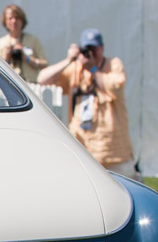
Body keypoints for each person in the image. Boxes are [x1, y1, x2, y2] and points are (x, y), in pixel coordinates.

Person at [38, 28, 138, 179]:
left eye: (94, 48)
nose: (90, 53)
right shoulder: (76, 68)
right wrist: (69, 59)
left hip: (114, 152)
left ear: (102, 48)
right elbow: (43, 80)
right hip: (85, 149)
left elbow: (115, 86)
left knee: (127, 194)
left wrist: (92, 69)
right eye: (87, 48)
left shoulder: (114, 64)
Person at [0, 4, 48, 83]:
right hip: (10, 84)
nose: (14, 21)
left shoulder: (33, 40)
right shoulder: (1, 43)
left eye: (17, 18)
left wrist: (26, 58)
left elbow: (45, 64)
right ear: (5, 21)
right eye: (10, 18)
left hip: (30, 84)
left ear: (22, 20)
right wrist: (6, 57)